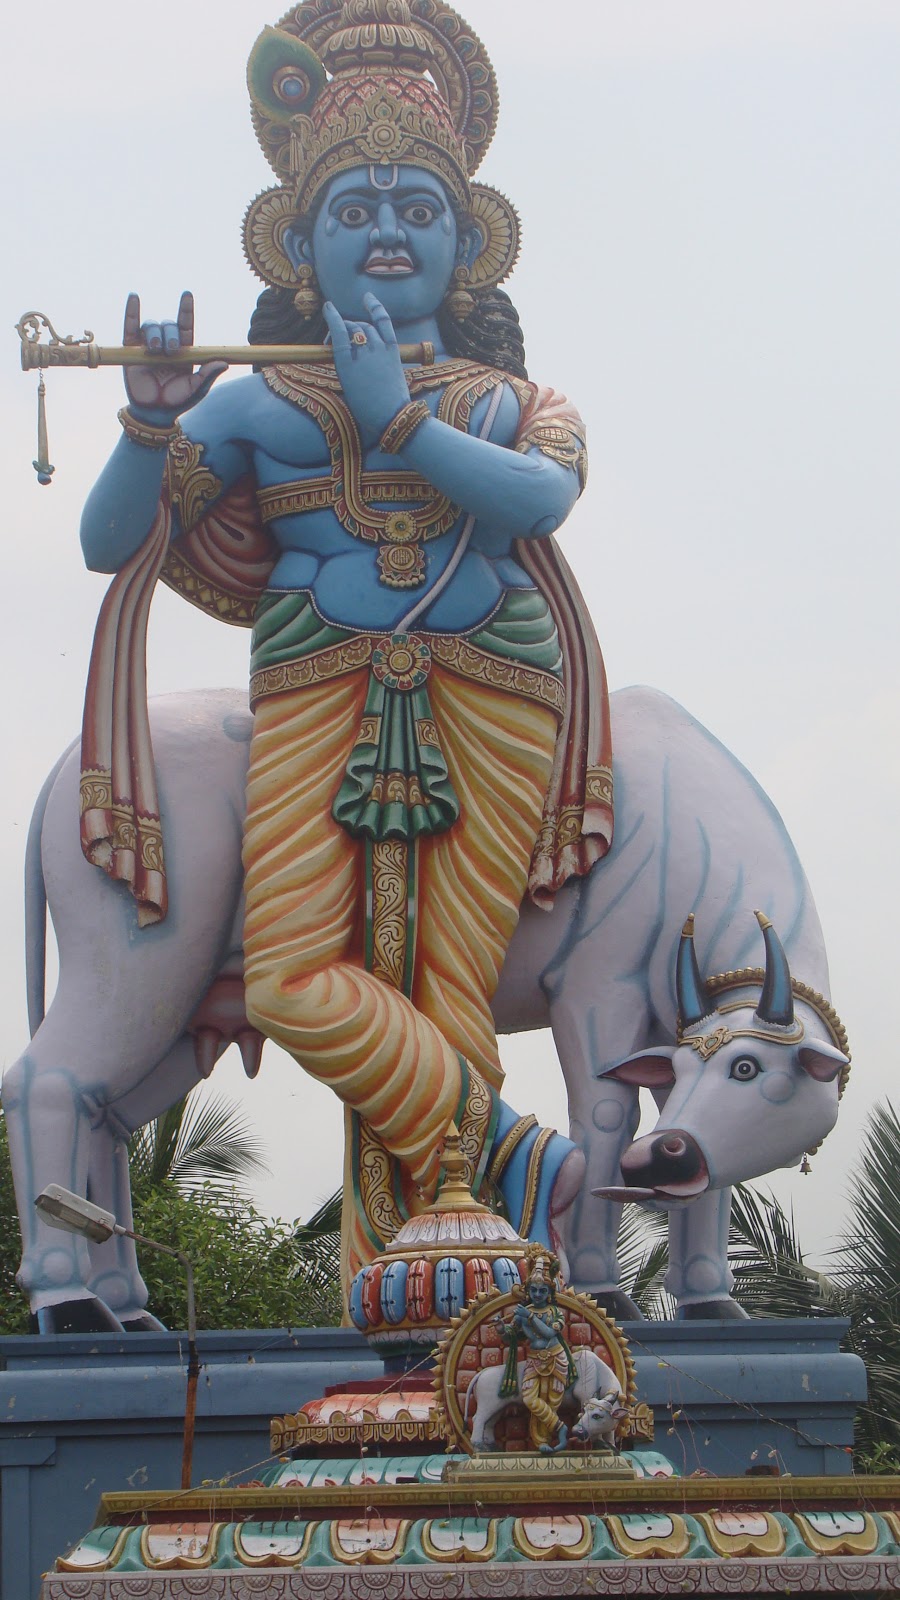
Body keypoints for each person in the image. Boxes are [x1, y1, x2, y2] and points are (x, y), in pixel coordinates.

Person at [77, 0, 614, 1280]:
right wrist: (151, 422)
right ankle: (515, 1158)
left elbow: (540, 501)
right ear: (303, 245)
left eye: (417, 210)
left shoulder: (517, 401)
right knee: (293, 979)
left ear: (466, 246)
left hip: (495, 680)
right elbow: (114, 542)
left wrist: (400, 418)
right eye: (355, 212)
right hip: (317, 681)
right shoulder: (256, 402)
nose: (386, 233)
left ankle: (435, 1265)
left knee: (451, 984)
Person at [498, 1245, 576, 1452]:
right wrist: (500, 1328)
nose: (538, 1294)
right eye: (533, 1290)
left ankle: (544, 1443)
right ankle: (559, 1428)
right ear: (528, 1291)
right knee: (531, 1400)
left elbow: (551, 1333)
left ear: (549, 1292)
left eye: (542, 1291)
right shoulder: (523, 1312)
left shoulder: (554, 1312)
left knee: (552, 1402)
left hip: (557, 1358)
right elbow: (510, 1337)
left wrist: (530, 1317)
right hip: (534, 1359)